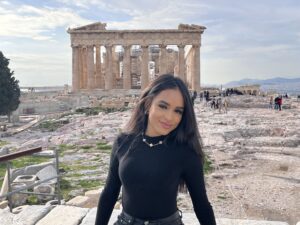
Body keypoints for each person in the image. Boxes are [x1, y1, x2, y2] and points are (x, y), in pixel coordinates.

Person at [95, 74, 216, 225]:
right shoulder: (123, 141)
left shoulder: (186, 152)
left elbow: (202, 205)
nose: (169, 117)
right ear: (147, 104)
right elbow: (109, 193)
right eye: (163, 106)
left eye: (178, 111)